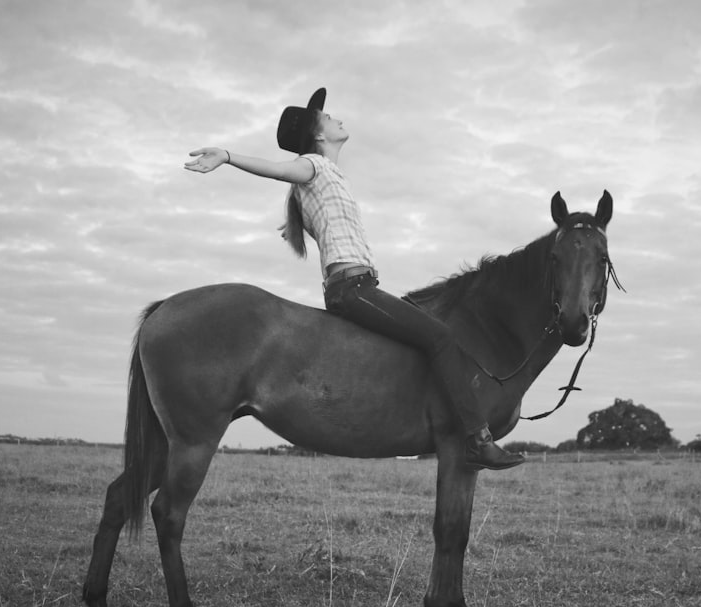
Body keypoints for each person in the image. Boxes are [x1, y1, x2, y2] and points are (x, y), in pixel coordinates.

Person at [184, 88, 523, 471]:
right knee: (441, 337)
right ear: (318, 135)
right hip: (353, 288)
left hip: (358, 285)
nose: (336, 118)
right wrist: (227, 156)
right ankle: (477, 439)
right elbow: (278, 169)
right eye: (327, 117)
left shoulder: (324, 179)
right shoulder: (314, 165)